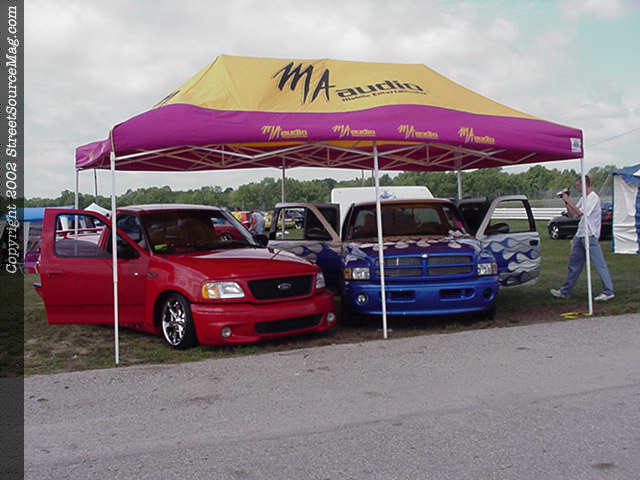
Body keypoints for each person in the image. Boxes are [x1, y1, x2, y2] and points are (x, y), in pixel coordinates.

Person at [550, 176, 614, 301]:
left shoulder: (593, 198)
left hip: (590, 235)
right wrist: (566, 202)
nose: (577, 188)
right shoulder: (583, 198)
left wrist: (568, 200)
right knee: (574, 265)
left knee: (599, 264)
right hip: (580, 235)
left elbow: (581, 213)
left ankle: (608, 291)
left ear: (585, 184)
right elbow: (573, 214)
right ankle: (565, 291)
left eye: (578, 185)